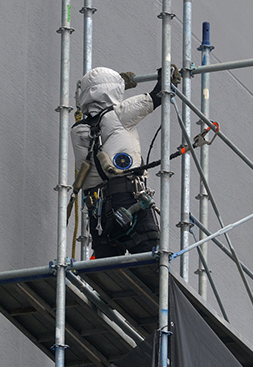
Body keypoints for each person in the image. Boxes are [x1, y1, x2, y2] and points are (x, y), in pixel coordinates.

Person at [71, 66, 176, 258]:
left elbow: (100, 97)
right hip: (128, 200)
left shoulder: (77, 130)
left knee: (107, 272)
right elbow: (157, 95)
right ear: (113, 91)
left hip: (98, 212)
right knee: (151, 259)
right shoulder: (118, 115)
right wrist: (167, 78)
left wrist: (118, 84)